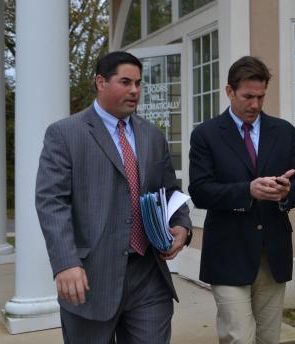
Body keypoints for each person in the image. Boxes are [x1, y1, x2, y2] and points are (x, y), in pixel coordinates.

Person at [35, 51, 192, 344]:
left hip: (149, 275)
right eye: (125, 82)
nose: (134, 90)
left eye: (138, 83)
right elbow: (51, 202)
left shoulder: (152, 136)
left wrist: (182, 225)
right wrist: (66, 262)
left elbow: (169, 190)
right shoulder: (65, 134)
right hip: (90, 279)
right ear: (101, 82)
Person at [188, 56, 295, 344]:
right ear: (229, 91)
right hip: (228, 252)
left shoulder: (284, 132)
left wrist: (287, 191)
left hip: (273, 253)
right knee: (238, 338)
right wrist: (248, 190)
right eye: (247, 96)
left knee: (268, 338)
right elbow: (200, 191)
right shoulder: (205, 135)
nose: (255, 104)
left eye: (261, 96)